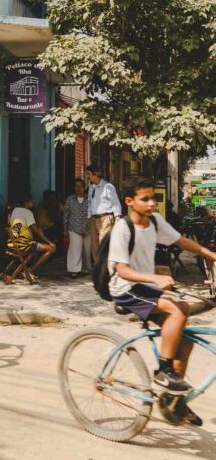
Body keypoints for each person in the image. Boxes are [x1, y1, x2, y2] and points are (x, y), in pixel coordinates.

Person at [108, 177, 216, 426]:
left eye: (153, 198)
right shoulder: (122, 228)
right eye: (145, 199)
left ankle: (174, 402)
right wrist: (155, 278)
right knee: (177, 309)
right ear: (129, 201)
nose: (151, 203)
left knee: (185, 336)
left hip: (146, 286)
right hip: (125, 288)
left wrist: (209, 253)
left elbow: (180, 241)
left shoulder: (155, 222)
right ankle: (164, 372)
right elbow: (122, 270)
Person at [9, 196, 55, 276]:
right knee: (51, 249)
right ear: (26, 202)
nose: (33, 203)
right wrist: (49, 242)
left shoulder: (14, 210)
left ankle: (26, 269)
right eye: (32, 202)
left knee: (36, 247)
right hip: (24, 245)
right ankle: (31, 270)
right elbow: (36, 230)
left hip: (13, 244)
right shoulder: (28, 212)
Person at [87, 163, 122, 259]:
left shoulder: (107, 187)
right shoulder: (91, 187)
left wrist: (117, 218)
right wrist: (89, 216)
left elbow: (116, 203)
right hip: (94, 219)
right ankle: (98, 266)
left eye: (89, 174)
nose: (87, 177)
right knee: (94, 244)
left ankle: (105, 267)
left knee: (103, 243)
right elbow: (90, 202)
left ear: (95, 174)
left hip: (105, 218)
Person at [63, 178, 90, 278]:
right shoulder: (70, 199)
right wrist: (65, 229)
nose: (79, 188)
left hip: (88, 228)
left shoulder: (90, 199)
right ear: (74, 188)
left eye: (81, 186)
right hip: (74, 228)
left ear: (84, 187)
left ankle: (84, 269)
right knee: (75, 249)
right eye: (76, 186)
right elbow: (66, 215)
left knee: (87, 250)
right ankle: (74, 270)